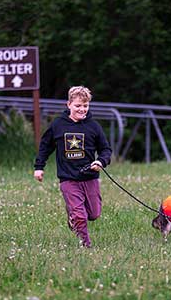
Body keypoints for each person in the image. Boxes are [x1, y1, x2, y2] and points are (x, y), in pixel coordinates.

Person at [34, 86, 112, 248]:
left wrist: (101, 162)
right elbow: (45, 146)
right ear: (68, 104)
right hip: (68, 178)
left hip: (90, 177)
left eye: (85, 106)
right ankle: (85, 244)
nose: (82, 109)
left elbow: (105, 149)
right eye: (78, 106)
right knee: (80, 215)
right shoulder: (58, 125)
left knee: (94, 213)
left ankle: (73, 218)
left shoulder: (94, 126)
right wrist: (39, 167)